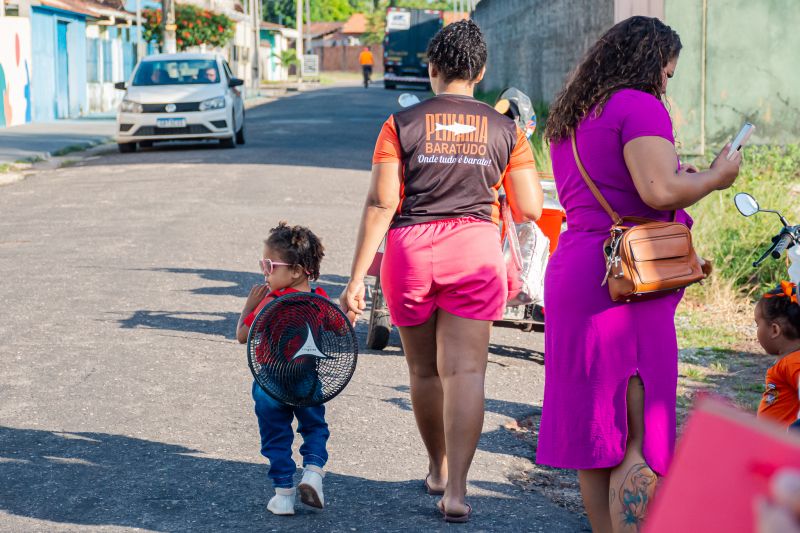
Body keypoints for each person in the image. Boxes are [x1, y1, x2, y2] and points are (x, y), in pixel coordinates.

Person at [537, 15, 741, 533]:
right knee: (637, 434)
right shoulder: (639, 105)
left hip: (578, 269)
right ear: (650, 62)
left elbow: (621, 184)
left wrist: (676, 178)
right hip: (627, 283)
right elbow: (658, 191)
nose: (667, 85)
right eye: (667, 73)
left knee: (595, 434)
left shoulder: (575, 113)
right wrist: (716, 177)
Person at [339, 20, 542, 523]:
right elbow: (531, 208)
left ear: (431, 69)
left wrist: (356, 278)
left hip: (410, 253)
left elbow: (382, 202)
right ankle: (457, 491)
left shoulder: (400, 124)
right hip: (475, 251)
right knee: (466, 372)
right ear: (481, 71)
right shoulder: (507, 130)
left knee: (424, 371)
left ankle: (436, 467)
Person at [236, 222, 330, 516]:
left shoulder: (270, 301)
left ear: (296, 271)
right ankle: (313, 472)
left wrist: (248, 306)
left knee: (276, 436)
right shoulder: (321, 300)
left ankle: (284, 495)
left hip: (270, 383)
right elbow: (341, 329)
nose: (265, 272)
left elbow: (242, 335)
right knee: (314, 427)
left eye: (269, 266)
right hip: (306, 381)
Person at [756, 281, 800, 429]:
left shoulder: (793, 362)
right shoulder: (789, 361)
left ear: (774, 330)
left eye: (758, 324)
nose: (757, 330)